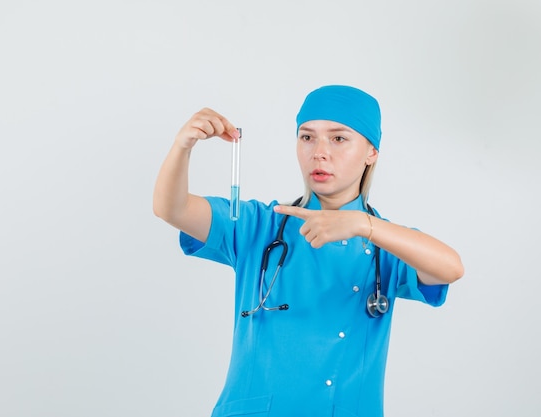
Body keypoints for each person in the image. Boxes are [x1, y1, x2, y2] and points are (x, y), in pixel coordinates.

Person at [153, 85, 464, 417]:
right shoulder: (259, 226)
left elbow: (451, 268)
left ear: (371, 152)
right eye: (307, 137)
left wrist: (364, 225)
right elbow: (171, 208)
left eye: (339, 138)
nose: (319, 152)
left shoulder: (384, 245)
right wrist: (182, 146)